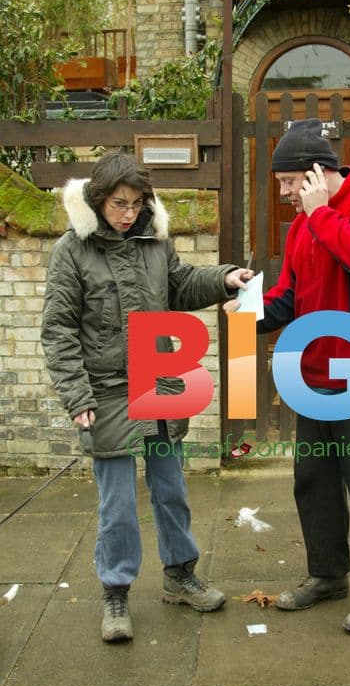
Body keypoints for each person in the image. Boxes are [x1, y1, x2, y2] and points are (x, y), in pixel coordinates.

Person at [41, 151, 252, 642]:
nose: (129, 212)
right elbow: (58, 330)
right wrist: (77, 396)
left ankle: (180, 575)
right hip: (106, 390)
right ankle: (116, 592)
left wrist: (224, 278)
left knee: (171, 489)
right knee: (117, 503)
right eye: (119, 203)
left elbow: (179, 285)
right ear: (98, 199)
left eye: (136, 203)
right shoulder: (72, 251)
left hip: (159, 380)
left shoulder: (154, 241)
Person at [226, 118, 350, 634]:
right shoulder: (304, 225)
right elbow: (291, 295)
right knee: (315, 482)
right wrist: (247, 310)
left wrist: (321, 213)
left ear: (315, 173)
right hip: (311, 373)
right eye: (282, 184)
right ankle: (327, 576)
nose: (285, 193)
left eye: (289, 182)